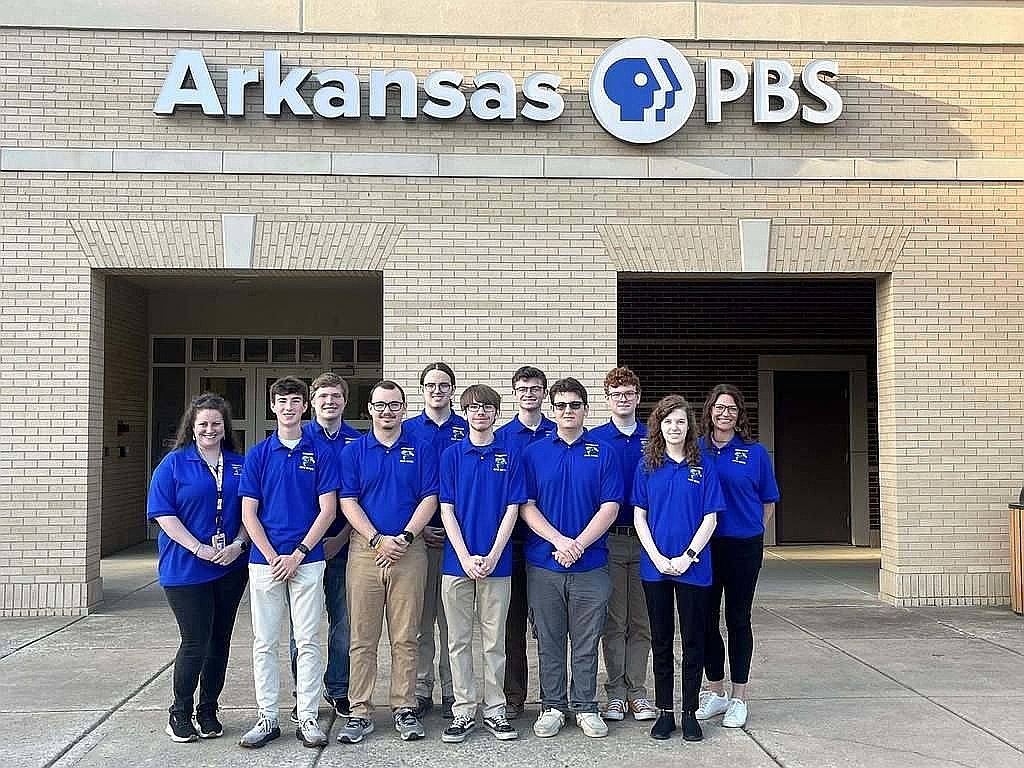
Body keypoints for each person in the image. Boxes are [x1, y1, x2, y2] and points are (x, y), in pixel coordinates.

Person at [238, 376, 339, 750]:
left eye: (296, 401)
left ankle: (308, 716)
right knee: (265, 641)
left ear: (304, 407)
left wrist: (297, 553)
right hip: (264, 562)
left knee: (309, 640)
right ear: (273, 407)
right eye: (282, 401)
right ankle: (267, 717)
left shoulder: (322, 453)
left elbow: (328, 510)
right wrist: (271, 556)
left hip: (307, 561)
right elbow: (249, 513)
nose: (289, 407)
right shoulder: (259, 454)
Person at [337, 380, 439, 744]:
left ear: (404, 408)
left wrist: (406, 537)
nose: (387, 412)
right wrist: (377, 539)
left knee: (406, 636)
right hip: (366, 550)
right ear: (369, 409)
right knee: (362, 637)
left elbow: (430, 498)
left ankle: (404, 707)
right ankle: (360, 710)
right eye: (380, 405)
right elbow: (347, 501)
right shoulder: (354, 452)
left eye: (394, 405)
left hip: (409, 551)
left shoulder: (422, 448)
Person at [520, 377, 622, 739]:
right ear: (552, 409)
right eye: (560, 405)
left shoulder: (603, 451)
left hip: (591, 564)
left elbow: (610, 506)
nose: (567, 411)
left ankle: (585, 705)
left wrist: (577, 544)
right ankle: (552, 706)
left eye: (574, 405)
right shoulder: (533, 453)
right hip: (544, 562)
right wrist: (560, 541)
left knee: (585, 639)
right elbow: (526, 507)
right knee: (549, 639)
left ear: (585, 409)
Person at [147, 393, 251, 743]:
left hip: (230, 565)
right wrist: (200, 549)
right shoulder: (174, 464)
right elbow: (164, 514)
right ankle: (179, 711)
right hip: (186, 566)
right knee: (195, 641)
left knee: (219, 640)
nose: (210, 429)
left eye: (216, 424)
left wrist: (238, 544)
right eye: (203, 423)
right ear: (192, 427)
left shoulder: (239, 464)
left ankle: (208, 708)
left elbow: (250, 510)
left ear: (225, 428)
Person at [633, 395, 724, 742]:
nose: (675, 427)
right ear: (659, 425)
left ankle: (689, 712)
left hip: (694, 567)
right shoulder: (647, 465)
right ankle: (664, 712)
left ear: (690, 427)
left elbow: (710, 517)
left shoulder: (703, 467)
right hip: (655, 567)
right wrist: (656, 556)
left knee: (693, 640)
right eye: (668, 421)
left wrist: (688, 555)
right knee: (660, 640)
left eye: (681, 422)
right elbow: (639, 515)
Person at [438, 385, 524, 744]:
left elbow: (512, 509)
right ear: (465, 412)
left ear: (496, 413)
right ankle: (463, 711)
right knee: (457, 641)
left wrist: (491, 555)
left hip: (497, 563)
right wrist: (464, 556)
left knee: (494, 641)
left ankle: (495, 709)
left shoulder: (510, 454)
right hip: (456, 564)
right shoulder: (452, 455)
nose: (480, 413)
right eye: (473, 408)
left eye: (487, 408)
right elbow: (447, 509)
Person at [696, 384, 780, 729]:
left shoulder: (755, 452)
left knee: (738, 619)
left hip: (742, 547)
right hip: (704, 546)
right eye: (719, 407)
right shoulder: (695, 450)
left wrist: (753, 532)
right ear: (710, 412)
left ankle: (739, 697)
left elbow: (768, 501)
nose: (725, 413)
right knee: (704, 620)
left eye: (731, 408)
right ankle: (715, 691)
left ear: (739, 414)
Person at [286, 372, 362, 721]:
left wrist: (341, 537)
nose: (329, 402)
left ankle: (338, 689)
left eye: (336, 396)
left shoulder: (357, 443)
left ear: (345, 401)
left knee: (343, 624)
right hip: (303, 552)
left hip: (345, 550)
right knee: (302, 628)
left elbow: (361, 498)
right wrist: (309, 544)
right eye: (322, 396)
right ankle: (303, 693)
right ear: (311, 403)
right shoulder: (296, 440)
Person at [589, 366, 656, 722]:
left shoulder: (655, 436)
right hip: (610, 541)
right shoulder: (596, 440)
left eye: (629, 393)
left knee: (641, 622)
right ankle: (615, 692)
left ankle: (638, 693)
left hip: (648, 542)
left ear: (638, 397)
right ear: (607, 399)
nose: (623, 399)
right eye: (616, 394)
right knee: (614, 621)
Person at [403, 362, 466, 719]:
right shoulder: (409, 431)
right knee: (421, 621)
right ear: (422, 389)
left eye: (444, 385)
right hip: (421, 539)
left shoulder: (466, 427)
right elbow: (407, 483)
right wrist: (420, 525)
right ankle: (422, 688)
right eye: (431, 385)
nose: (437, 390)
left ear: (452, 390)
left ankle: (453, 691)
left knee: (453, 623)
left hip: (457, 541)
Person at [494, 365, 556, 720]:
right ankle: (514, 696)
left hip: (550, 546)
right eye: (522, 388)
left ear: (543, 393)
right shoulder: (502, 437)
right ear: (514, 393)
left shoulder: (559, 431)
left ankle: (553, 698)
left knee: (549, 627)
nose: (529, 393)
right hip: (513, 545)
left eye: (535, 388)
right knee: (512, 626)